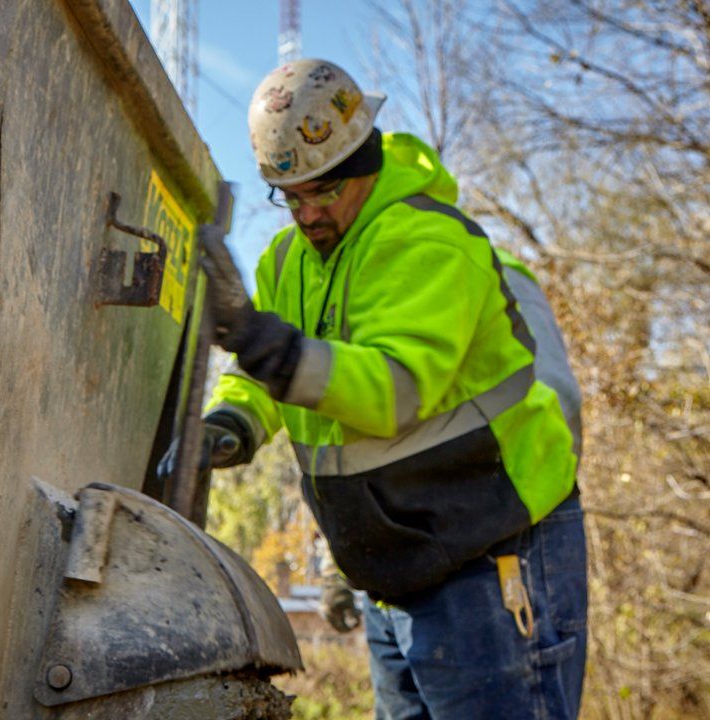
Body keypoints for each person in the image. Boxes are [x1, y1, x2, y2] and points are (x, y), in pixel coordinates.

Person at [164, 59, 588, 719]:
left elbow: (393, 391)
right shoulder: (287, 260)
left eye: (323, 190)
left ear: (363, 159)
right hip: (395, 564)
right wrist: (233, 423)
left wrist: (257, 336)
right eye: (290, 194)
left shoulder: (428, 241)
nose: (307, 214)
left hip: (489, 552)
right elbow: (266, 374)